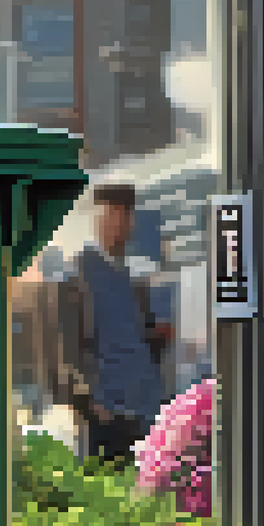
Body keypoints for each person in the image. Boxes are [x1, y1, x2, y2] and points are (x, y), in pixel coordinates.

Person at [55, 183, 174, 467]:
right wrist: (86, 402)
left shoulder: (137, 274)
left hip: (144, 409)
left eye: (121, 216)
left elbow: (150, 338)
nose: (115, 224)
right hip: (105, 412)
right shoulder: (77, 273)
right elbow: (65, 345)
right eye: (107, 216)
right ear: (96, 219)